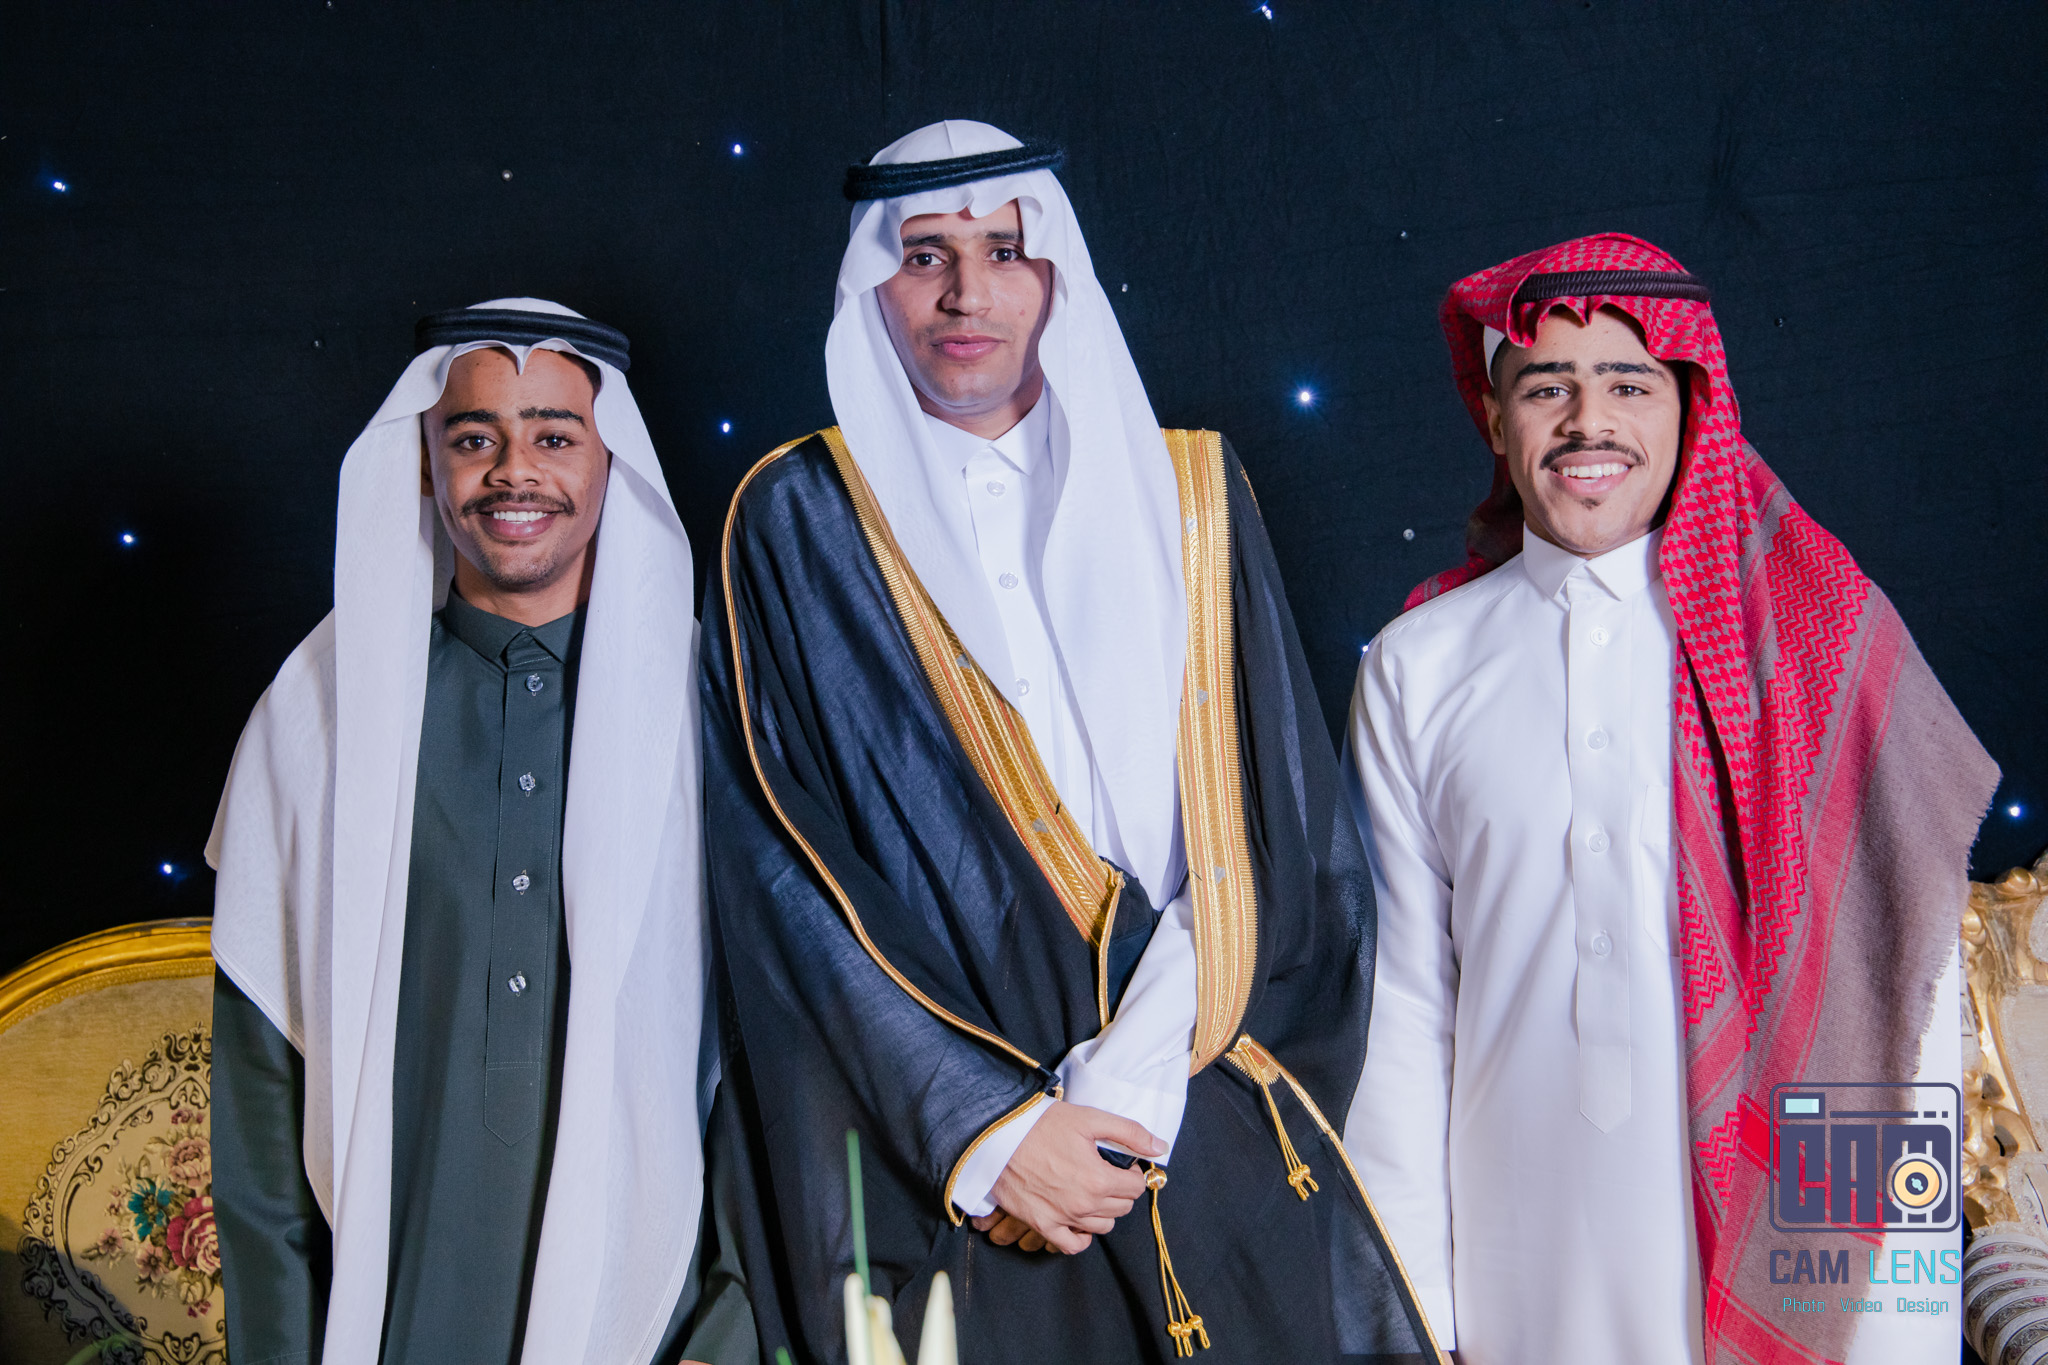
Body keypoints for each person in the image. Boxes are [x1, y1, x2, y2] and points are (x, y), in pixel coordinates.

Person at [694, 120, 1441, 1364]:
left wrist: (1125, 1088)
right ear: (871, 283)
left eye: (1003, 251)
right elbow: (780, 871)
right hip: (949, 1164)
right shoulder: (794, 518)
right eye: (923, 256)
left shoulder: (1193, 496)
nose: (966, 293)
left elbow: (1273, 831)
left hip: (1191, 1093)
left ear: (1056, 275)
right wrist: (989, 1131)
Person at [1342, 234, 1997, 1364]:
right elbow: (1399, 1008)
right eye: (1545, 387)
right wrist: (1412, 1309)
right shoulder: (1417, 665)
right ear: (1494, 419)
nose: (1588, 422)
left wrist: (1894, 1324)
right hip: (1517, 1247)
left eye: (1629, 385)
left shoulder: (1807, 640)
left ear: (1691, 409)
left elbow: (1892, 990)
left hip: (1793, 1231)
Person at [206, 300, 711, 1365]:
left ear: (612, 462)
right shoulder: (319, 719)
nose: (513, 471)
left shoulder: (710, 713)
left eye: (554, 437)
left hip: (664, 1323)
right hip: (394, 1316)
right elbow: (262, 1103)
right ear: (426, 464)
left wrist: (727, 1336)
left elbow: (770, 1072)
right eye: (475, 437)